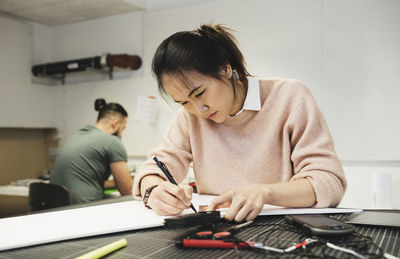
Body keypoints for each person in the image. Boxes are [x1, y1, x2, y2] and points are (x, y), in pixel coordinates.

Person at [133, 24, 346, 222]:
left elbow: (328, 182)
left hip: (282, 227)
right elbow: (155, 167)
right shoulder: (190, 117)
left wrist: (265, 192)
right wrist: (154, 191)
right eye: (183, 102)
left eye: (200, 93)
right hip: (216, 230)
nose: (199, 109)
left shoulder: (289, 97)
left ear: (225, 69)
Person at [51, 99, 133, 204]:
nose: (121, 134)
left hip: (55, 206)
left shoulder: (77, 135)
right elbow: (127, 191)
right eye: (123, 129)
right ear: (115, 124)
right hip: (83, 207)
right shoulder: (113, 142)